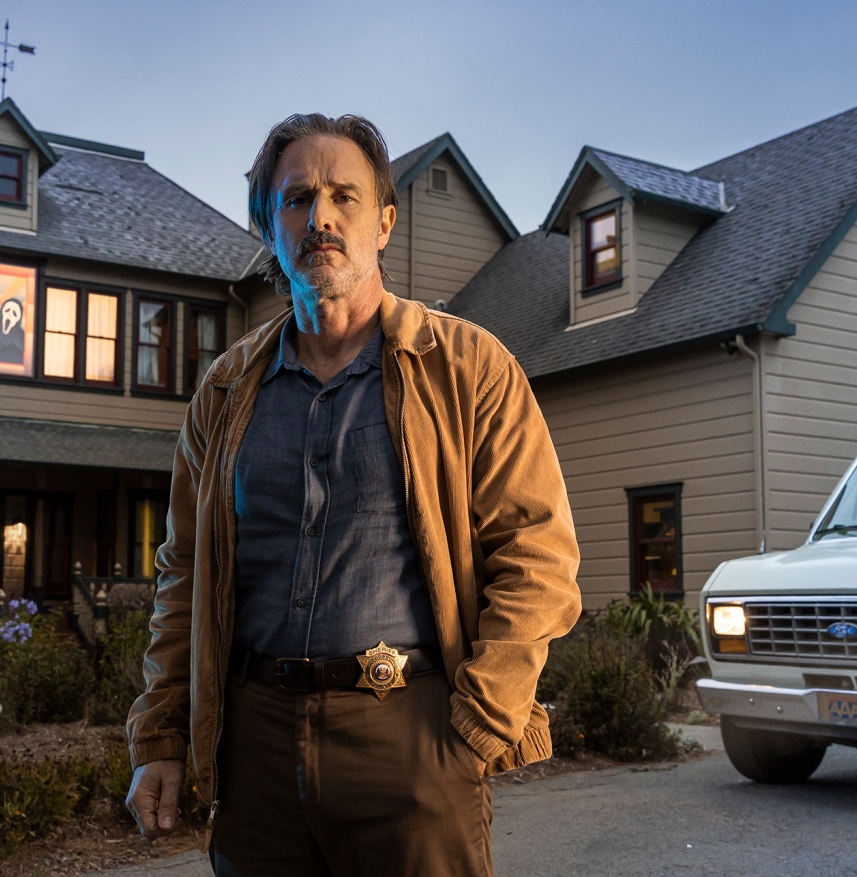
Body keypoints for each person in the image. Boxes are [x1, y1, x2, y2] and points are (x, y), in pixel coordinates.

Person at [122, 113, 581, 876]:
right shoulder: (225, 391)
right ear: (270, 226)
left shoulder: (469, 369)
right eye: (297, 198)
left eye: (344, 196)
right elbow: (184, 576)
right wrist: (162, 736)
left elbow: (538, 554)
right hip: (255, 746)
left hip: (414, 734)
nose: (321, 216)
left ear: (384, 223)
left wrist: (477, 722)